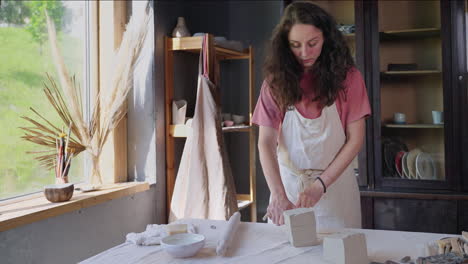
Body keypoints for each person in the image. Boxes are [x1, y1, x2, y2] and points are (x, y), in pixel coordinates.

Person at [252, 1, 371, 228]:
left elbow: (355, 140)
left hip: (335, 190)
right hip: (288, 189)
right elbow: (265, 143)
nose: (304, 53)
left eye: (312, 43)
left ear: (326, 39)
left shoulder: (348, 79)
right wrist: (277, 194)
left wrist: (320, 185)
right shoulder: (275, 82)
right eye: (295, 45)